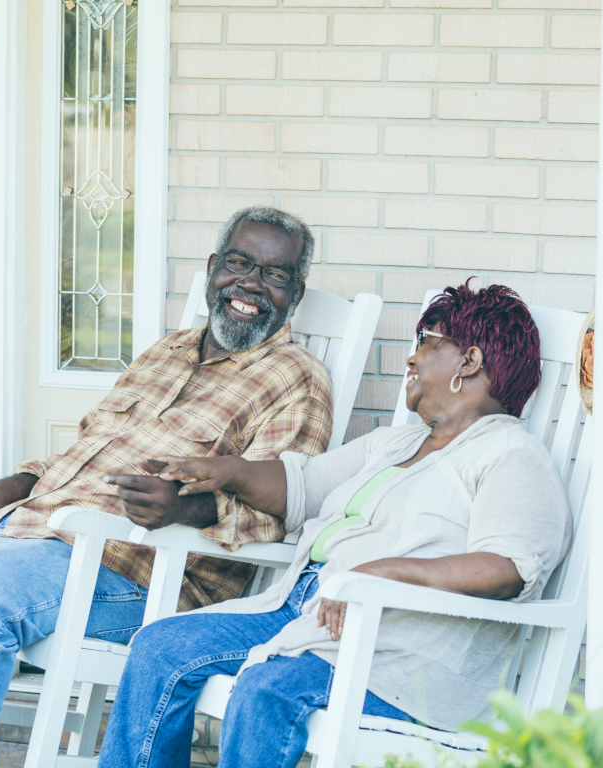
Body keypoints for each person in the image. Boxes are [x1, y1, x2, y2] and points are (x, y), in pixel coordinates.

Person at [0, 206, 335, 768]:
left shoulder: (296, 380)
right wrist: (9, 485)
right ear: (212, 269)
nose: (249, 285)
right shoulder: (167, 350)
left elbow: (282, 511)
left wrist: (187, 508)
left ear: (294, 295)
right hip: (24, 528)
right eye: (238, 263)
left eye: (273, 276)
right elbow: (86, 448)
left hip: (129, 571)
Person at [99, 281, 572, 768]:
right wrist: (225, 470)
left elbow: (508, 567)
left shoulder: (511, 455)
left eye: (426, 342)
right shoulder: (392, 445)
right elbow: (298, 487)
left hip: (397, 656)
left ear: (469, 361)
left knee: (267, 691)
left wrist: (379, 573)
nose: (411, 360)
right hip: (301, 612)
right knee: (158, 648)